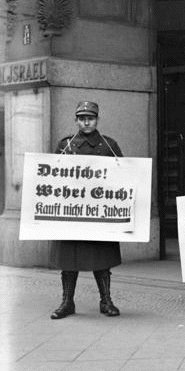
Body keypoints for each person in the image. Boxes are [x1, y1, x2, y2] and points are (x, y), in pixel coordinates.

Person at [49, 101, 122, 319]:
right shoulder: (65, 145)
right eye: (82, 118)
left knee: (101, 259)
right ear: (76, 120)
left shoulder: (109, 146)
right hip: (72, 213)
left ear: (97, 119)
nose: (86, 122)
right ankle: (67, 302)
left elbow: (123, 177)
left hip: (99, 213)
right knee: (69, 260)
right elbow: (52, 176)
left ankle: (106, 301)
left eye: (90, 118)